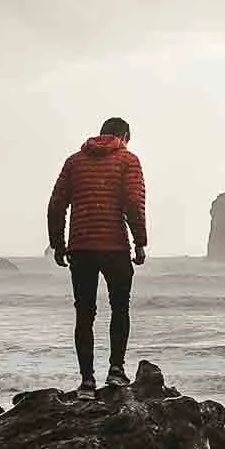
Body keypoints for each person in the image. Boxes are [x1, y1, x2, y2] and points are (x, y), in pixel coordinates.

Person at [46, 117, 147, 394]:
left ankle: (87, 382)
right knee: (120, 308)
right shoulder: (128, 160)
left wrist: (58, 243)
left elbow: (56, 205)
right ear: (124, 136)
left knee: (84, 314)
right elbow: (134, 204)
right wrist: (140, 242)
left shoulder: (74, 161)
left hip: (81, 247)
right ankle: (116, 371)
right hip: (115, 247)